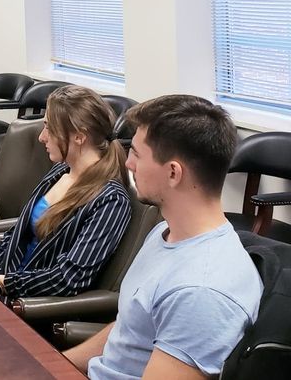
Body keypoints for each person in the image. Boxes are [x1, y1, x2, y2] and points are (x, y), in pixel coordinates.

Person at [65, 95, 263, 379]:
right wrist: (49, 364)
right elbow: (129, 331)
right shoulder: (164, 233)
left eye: (135, 153)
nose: (128, 164)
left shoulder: (201, 291)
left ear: (173, 173)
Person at [0, 85, 132, 299]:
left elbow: (68, 279)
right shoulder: (59, 171)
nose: (42, 137)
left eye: (49, 128)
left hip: (31, 308)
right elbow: (16, 237)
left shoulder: (111, 200)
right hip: (4, 290)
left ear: (79, 137)